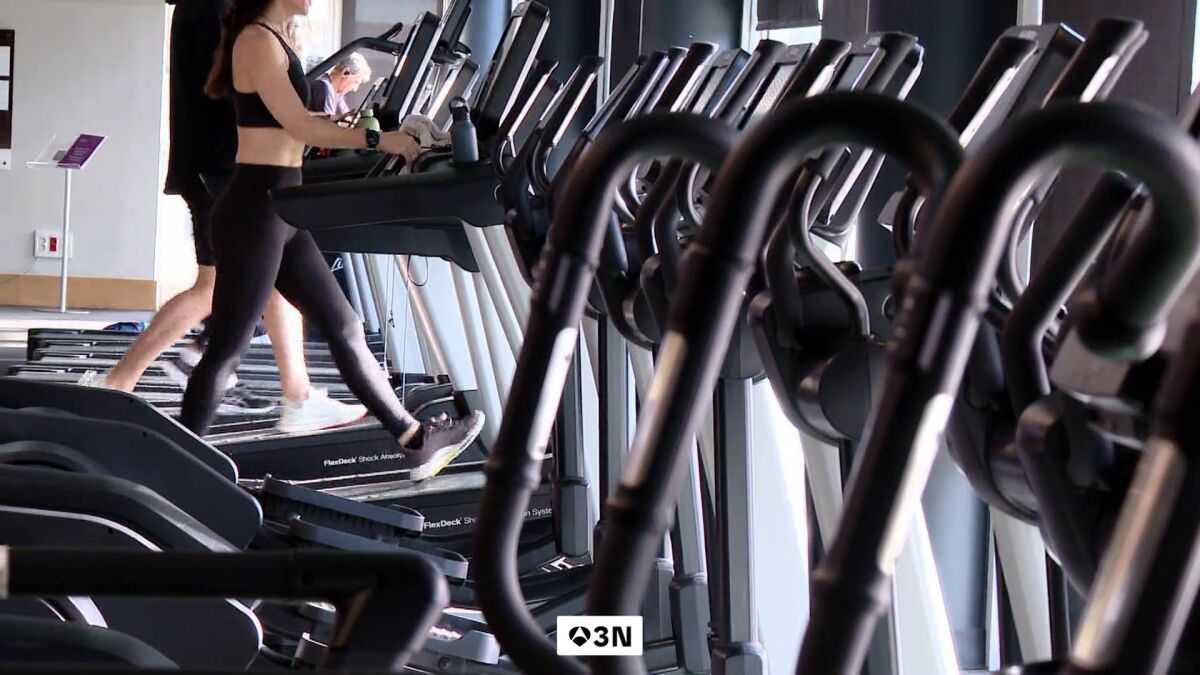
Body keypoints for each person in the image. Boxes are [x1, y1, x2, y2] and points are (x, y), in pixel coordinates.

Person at [191, 0, 483, 479]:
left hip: (282, 207)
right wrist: (382, 140)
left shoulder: (276, 37)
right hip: (254, 210)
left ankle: (415, 441)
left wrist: (363, 128)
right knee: (228, 346)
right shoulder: (257, 40)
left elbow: (297, 121)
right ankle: (180, 469)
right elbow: (300, 126)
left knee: (344, 326)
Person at [82, 0, 368, 435]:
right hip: (222, 170)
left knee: (260, 281)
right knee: (215, 287)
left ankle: (297, 395)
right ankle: (123, 381)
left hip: (220, 167)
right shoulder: (214, 11)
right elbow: (235, 96)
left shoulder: (211, 9)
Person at [308, 52, 370, 120]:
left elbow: (347, 117)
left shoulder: (338, 95)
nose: (355, 89)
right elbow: (327, 123)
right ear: (345, 72)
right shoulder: (323, 88)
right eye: (356, 82)